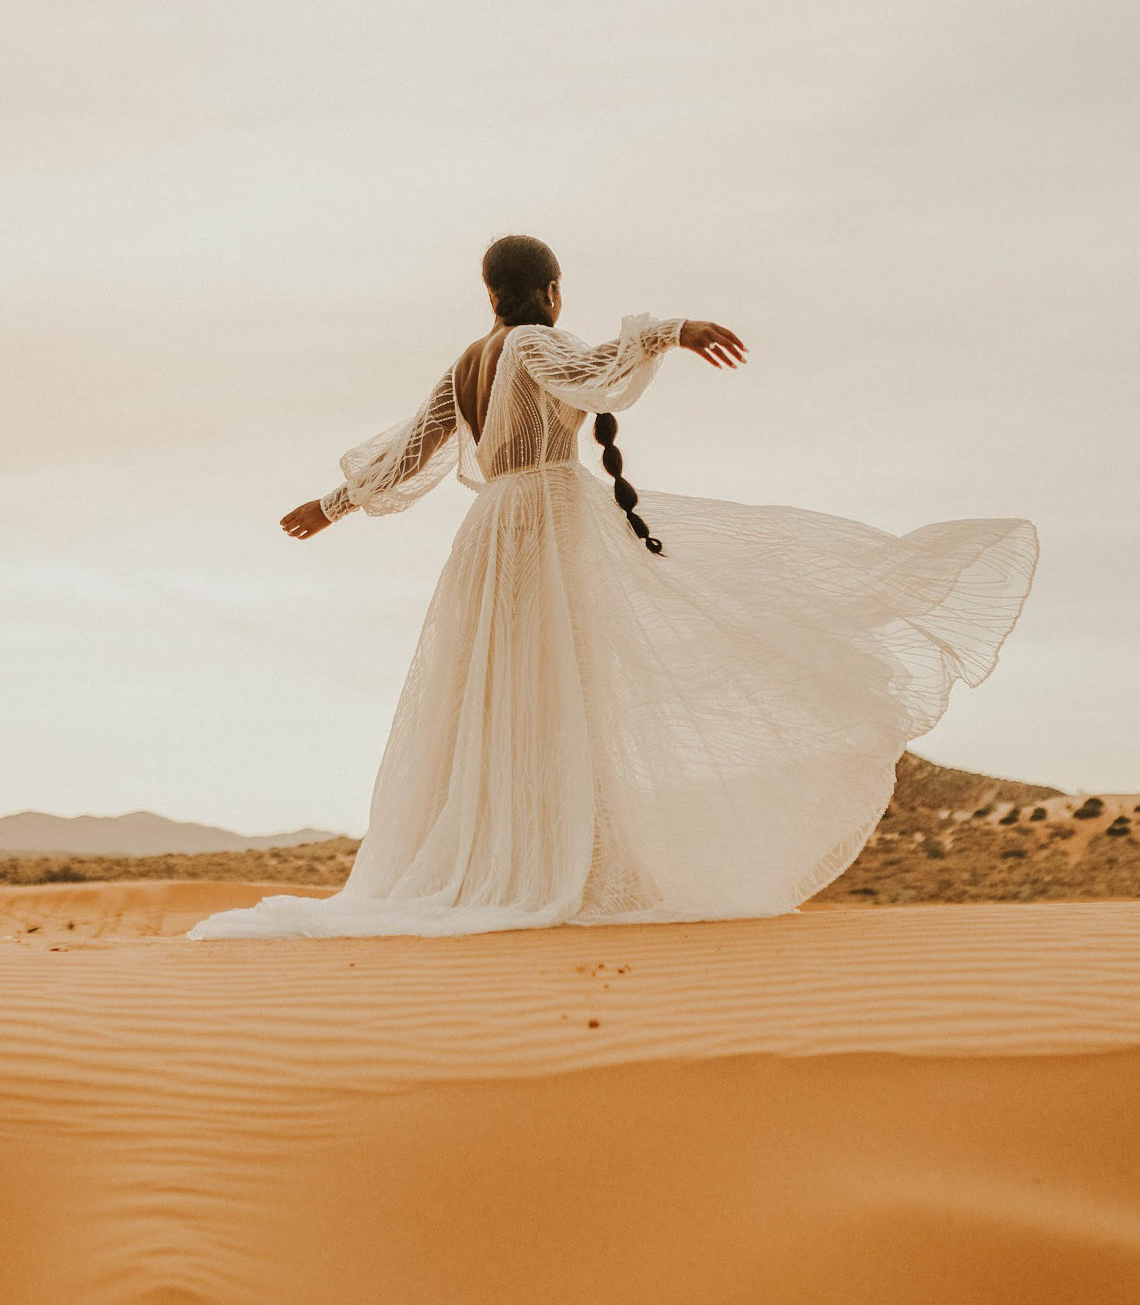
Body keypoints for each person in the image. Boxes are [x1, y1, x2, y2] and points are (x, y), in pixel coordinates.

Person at [187, 234, 1038, 940]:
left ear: (490, 292)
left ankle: (524, 858)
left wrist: (332, 506)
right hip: (546, 522)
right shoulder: (532, 343)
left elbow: (411, 449)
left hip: (490, 538)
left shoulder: (466, 363)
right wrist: (675, 328)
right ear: (549, 292)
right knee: (569, 694)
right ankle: (552, 868)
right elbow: (598, 375)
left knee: (508, 700)